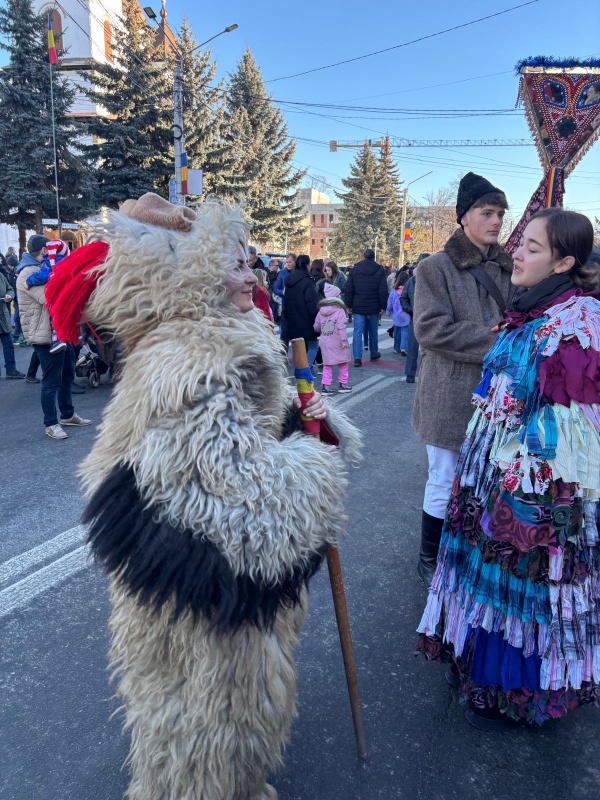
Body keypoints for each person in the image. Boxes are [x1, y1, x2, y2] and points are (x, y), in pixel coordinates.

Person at [49, 194, 362, 800]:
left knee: (203, 709)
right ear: (194, 275)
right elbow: (228, 492)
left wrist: (306, 422)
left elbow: (253, 440)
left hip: (198, 580)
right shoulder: (197, 358)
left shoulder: (226, 333)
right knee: (207, 718)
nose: (251, 276)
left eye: (250, 263)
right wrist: (316, 466)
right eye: (235, 265)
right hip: (202, 584)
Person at [417, 208, 600, 731]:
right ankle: (482, 669)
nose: (516, 252)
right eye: (521, 243)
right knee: (489, 577)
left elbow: (572, 433)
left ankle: (515, 688)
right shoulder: (531, 311)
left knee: (523, 590)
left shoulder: (576, 326)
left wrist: (525, 493)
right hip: (493, 475)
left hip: (534, 491)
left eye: (534, 248)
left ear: (565, 262)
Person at [412, 173, 514, 586]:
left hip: (498, 397)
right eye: (487, 213)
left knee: (486, 479)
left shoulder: (510, 266)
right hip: (449, 394)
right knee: (444, 478)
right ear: (464, 218)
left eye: (500, 214)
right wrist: (497, 342)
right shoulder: (434, 268)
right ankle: (428, 557)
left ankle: (467, 547)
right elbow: (430, 329)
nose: (495, 222)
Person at [16, 234, 91, 439]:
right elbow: (49, 296)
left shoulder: (43, 269)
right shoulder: (28, 273)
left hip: (60, 332)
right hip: (44, 334)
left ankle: (67, 414)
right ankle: (51, 423)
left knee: (67, 374)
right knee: (51, 381)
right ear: (44, 251)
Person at [344, 248, 388, 367]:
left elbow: (349, 288)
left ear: (363, 256)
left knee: (357, 331)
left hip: (358, 304)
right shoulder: (379, 270)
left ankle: (357, 357)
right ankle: (374, 353)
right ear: (374, 257)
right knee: (373, 330)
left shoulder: (355, 269)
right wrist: (383, 305)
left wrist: (349, 304)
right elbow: (383, 289)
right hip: (374, 305)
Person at [25, 238, 70, 354]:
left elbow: (43, 276)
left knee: (55, 317)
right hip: (65, 295)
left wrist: (29, 281)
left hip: (55, 299)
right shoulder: (64, 260)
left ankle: (57, 339)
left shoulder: (49, 263)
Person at [314, 282, 352, 395]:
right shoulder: (339, 311)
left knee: (327, 365)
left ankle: (326, 387)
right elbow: (341, 327)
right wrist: (343, 341)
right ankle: (343, 384)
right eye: (338, 295)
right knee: (343, 362)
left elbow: (316, 326)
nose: (340, 297)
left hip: (325, 341)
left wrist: (322, 330)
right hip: (338, 341)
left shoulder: (321, 311)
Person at [283, 254, 320, 366]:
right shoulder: (308, 282)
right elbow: (312, 304)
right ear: (307, 266)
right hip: (306, 319)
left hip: (292, 318)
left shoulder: (289, 280)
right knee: (313, 345)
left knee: (297, 347)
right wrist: (317, 317)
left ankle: (298, 371)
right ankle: (305, 370)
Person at [400, 254, 429, 384]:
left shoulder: (435, 280)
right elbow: (403, 298)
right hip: (414, 318)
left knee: (429, 351)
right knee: (412, 349)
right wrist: (411, 310)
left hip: (431, 320)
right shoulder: (411, 281)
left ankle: (426, 375)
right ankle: (410, 375)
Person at [0, 257, 25, 378]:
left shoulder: (1, 276)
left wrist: (9, 295)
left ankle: (11, 370)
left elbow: (10, 289)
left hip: (3, 318)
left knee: (9, 345)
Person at [273, 252, 296, 351]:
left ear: (295, 262)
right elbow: (275, 289)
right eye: (287, 262)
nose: (288, 264)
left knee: (297, 334)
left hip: (297, 308)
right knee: (284, 334)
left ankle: (299, 356)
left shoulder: (298, 272)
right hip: (285, 307)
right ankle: (284, 355)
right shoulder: (283, 273)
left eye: (290, 262)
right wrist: (283, 292)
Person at [386, 271, 410, 355]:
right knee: (405, 331)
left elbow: (390, 302)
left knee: (397, 332)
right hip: (406, 314)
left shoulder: (394, 290)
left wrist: (388, 312)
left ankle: (396, 348)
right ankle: (403, 347)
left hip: (396, 314)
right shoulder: (408, 289)